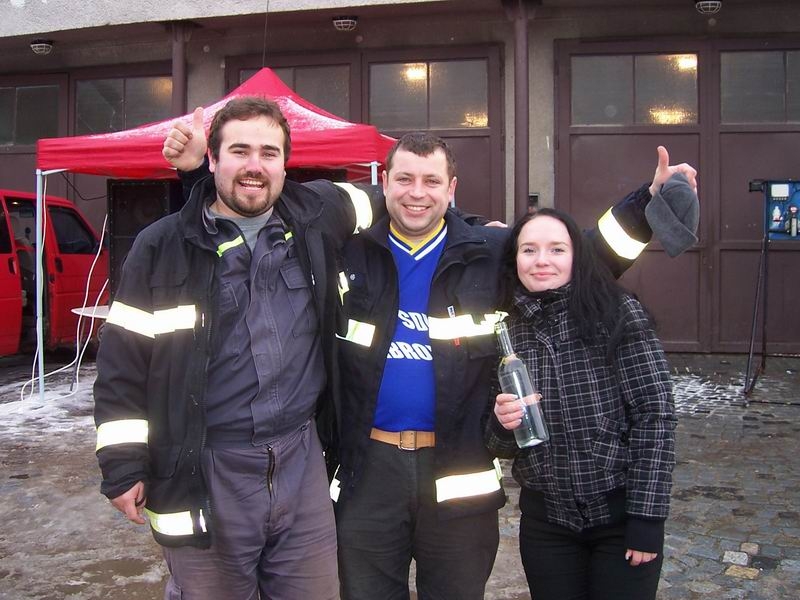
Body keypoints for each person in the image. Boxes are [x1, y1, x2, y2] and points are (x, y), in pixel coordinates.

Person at [332, 132, 695, 599]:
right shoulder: (350, 253)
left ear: (452, 188)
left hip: (459, 473)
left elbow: (582, 258)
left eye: (431, 180)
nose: (417, 193)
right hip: (368, 474)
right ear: (384, 182)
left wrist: (646, 200)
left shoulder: (490, 251)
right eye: (404, 179)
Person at [93, 96, 386, 599]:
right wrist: (122, 464)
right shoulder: (162, 247)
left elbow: (405, 201)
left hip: (301, 462)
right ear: (212, 159)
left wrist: (481, 235)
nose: (255, 165)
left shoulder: (316, 217)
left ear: (286, 164)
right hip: (207, 468)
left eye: (269, 153)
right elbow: (123, 364)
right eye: (239, 151)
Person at [485, 204, 679, 600]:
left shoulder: (617, 312)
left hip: (620, 518)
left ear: (577, 255)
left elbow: (655, 415)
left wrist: (647, 518)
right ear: (514, 259)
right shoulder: (503, 329)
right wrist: (503, 424)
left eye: (557, 249)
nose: (542, 260)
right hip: (547, 525)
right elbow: (498, 444)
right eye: (529, 250)